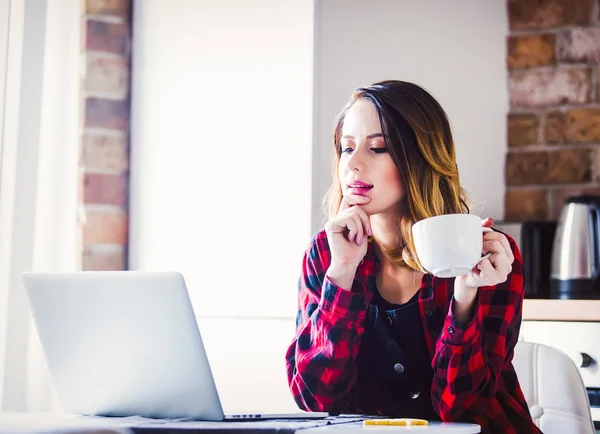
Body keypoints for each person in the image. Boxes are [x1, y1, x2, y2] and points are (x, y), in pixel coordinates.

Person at [285, 80, 542, 434]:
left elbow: (461, 409)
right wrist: (341, 275)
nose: (353, 165)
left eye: (378, 148)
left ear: (420, 157)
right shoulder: (327, 255)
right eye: (346, 149)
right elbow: (316, 400)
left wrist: (464, 296)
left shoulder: (485, 254)